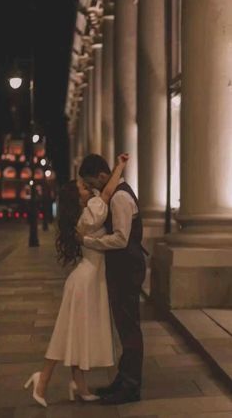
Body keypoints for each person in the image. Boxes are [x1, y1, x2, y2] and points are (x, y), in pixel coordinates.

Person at [23, 153, 129, 407]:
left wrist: (117, 167)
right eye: (83, 187)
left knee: (74, 333)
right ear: (78, 197)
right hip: (85, 281)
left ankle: (76, 384)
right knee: (66, 333)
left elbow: (104, 192)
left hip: (86, 278)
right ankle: (43, 379)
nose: (88, 187)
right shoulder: (90, 212)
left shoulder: (84, 216)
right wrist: (120, 166)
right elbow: (107, 192)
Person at [79, 154, 146, 405]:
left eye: (92, 183)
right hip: (124, 268)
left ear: (102, 176)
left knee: (129, 327)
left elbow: (120, 238)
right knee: (125, 326)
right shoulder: (116, 192)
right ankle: (124, 378)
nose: (94, 189)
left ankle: (130, 385)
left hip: (127, 269)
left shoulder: (119, 197)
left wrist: (89, 242)